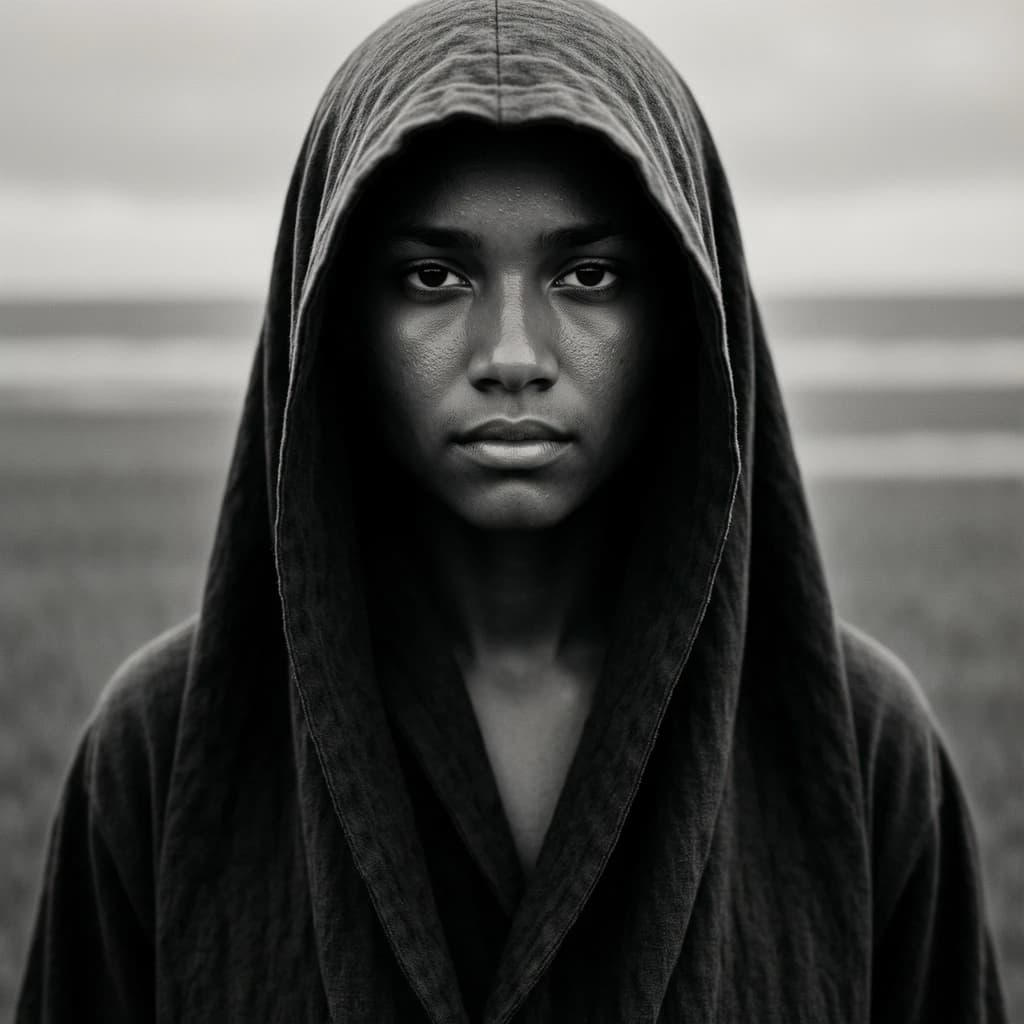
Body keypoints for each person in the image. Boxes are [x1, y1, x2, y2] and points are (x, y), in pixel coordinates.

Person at [16, 1, 1007, 1021]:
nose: (514, 357)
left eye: (588, 275)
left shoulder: (860, 746)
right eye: (433, 276)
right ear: (335, 318)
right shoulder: (162, 748)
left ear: (681, 312)